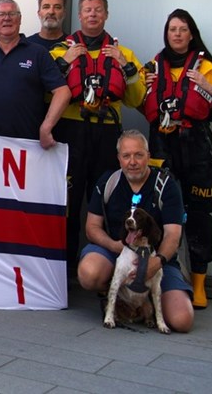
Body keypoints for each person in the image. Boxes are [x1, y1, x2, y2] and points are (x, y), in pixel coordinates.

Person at [50, 0, 146, 270]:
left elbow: (137, 98)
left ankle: (110, 268)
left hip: (106, 135)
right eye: (87, 10)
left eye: (98, 10)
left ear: (106, 15)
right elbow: (43, 95)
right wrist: (64, 63)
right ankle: (63, 269)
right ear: (79, 15)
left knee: (108, 203)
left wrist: (126, 67)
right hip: (70, 133)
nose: (93, 14)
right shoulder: (59, 51)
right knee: (66, 202)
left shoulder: (123, 53)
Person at [143, 9, 212, 308]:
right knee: (158, 212)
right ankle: (159, 275)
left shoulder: (206, 68)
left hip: (196, 149)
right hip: (162, 147)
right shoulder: (153, 67)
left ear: (191, 33)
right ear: (166, 34)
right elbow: (135, 99)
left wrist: (208, 88)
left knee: (199, 216)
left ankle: (198, 284)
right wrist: (139, 82)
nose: (177, 34)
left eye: (182, 29)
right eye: (172, 29)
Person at [77, 130, 194, 333]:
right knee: (89, 273)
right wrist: (115, 246)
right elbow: (92, 227)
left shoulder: (166, 186)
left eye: (139, 155)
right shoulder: (108, 182)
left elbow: (173, 235)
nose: (132, 161)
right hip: (117, 252)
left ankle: (145, 301)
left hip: (157, 259)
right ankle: (120, 297)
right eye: (126, 156)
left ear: (148, 156)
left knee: (182, 320)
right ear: (119, 159)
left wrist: (156, 264)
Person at [0, 0, 70, 147]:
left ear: (20, 19)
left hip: (30, 145)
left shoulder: (38, 53)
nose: (6, 18)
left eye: (12, 13)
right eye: (1, 14)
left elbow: (63, 92)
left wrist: (46, 127)